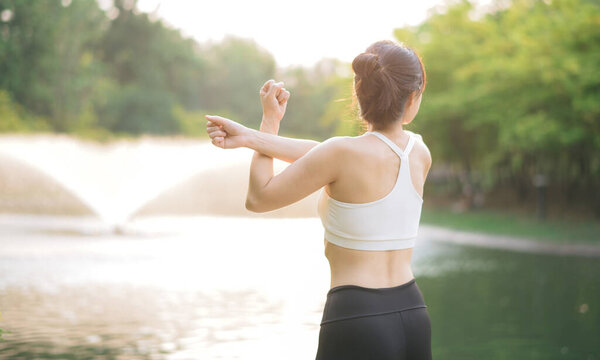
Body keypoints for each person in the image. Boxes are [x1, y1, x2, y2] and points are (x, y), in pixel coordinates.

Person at [205, 39, 433, 360]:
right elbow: (324, 153)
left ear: (359, 94)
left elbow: (259, 197)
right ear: (412, 98)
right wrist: (250, 136)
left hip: (357, 315)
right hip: (413, 312)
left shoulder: (341, 153)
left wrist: (268, 125)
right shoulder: (420, 151)